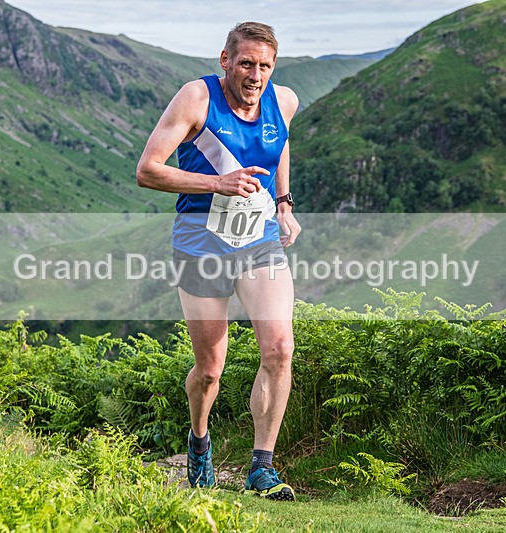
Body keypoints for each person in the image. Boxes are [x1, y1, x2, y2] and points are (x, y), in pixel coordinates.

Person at [136, 21, 300, 501]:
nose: (255, 75)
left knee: (280, 348)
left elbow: (280, 141)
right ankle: (200, 439)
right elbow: (148, 170)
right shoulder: (196, 98)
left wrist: (284, 202)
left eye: (264, 66)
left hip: (259, 241)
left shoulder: (283, 100)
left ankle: (262, 468)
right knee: (210, 369)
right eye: (246, 63)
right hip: (200, 242)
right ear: (225, 60)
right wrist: (217, 184)